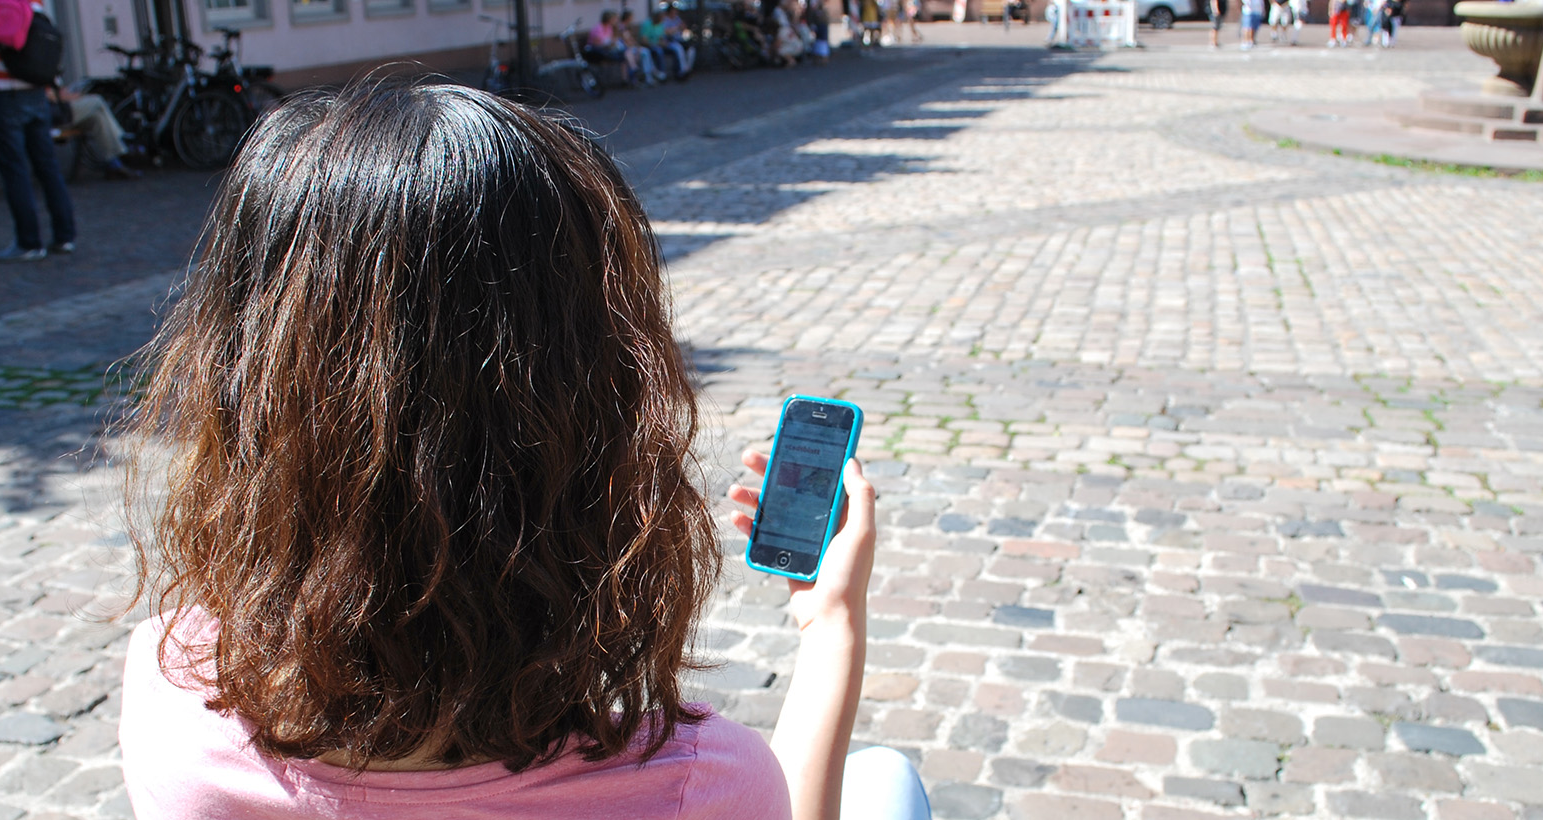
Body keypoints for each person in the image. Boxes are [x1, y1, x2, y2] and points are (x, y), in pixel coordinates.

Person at [117, 78, 932, 820]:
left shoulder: (170, 695)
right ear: (588, 422)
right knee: (887, 780)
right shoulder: (699, 784)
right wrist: (833, 623)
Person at [0, 0, 75, 262]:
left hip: (4, 95)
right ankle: (65, 235)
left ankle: (29, 241)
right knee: (48, 167)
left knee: (15, 169)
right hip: (36, 92)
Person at [57, 89, 141, 180]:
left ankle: (115, 165)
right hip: (56, 115)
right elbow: (51, 96)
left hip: (62, 110)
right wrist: (69, 97)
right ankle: (122, 141)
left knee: (97, 118)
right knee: (97, 100)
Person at [584, 11, 636, 85]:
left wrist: (613, 42)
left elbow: (611, 39)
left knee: (626, 54)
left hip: (607, 50)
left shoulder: (609, 27)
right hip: (597, 52)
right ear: (609, 19)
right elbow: (597, 43)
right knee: (625, 54)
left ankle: (627, 78)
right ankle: (632, 72)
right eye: (614, 19)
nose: (616, 21)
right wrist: (609, 43)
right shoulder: (598, 28)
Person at [619, 10, 666, 84]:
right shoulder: (621, 27)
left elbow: (631, 40)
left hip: (632, 47)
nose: (633, 19)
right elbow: (627, 41)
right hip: (626, 49)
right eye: (631, 17)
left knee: (646, 52)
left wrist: (635, 45)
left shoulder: (627, 27)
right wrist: (635, 45)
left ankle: (650, 74)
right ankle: (650, 74)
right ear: (628, 18)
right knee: (646, 52)